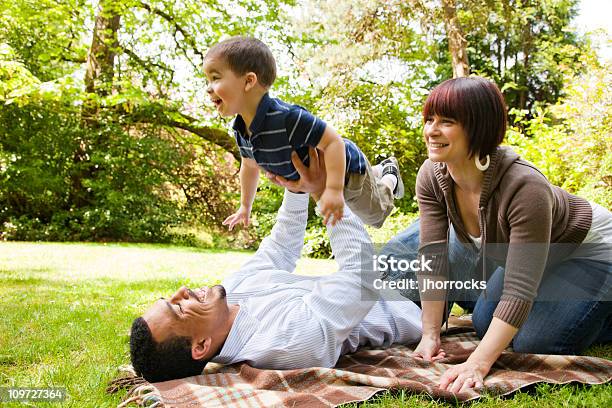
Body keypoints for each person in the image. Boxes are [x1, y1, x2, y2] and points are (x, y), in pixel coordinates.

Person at [381, 76, 612, 394]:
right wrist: (430, 334)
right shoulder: (432, 176)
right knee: (485, 321)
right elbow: (433, 257)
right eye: (429, 119)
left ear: (480, 128)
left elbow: (519, 291)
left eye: (446, 121)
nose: (431, 130)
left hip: (592, 249)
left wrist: (477, 363)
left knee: (538, 341)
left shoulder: (524, 187)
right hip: (543, 256)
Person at [129, 148, 422, 383]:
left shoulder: (232, 291)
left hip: (387, 272)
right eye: (178, 308)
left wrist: (295, 184)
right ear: (201, 346)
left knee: (443, 197)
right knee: (447, 196)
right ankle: (389, 180)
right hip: (411, 297)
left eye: (170, 298)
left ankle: (388, 180)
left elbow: (280, 248)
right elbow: (361, 280)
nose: (182, 291)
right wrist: (324, 191)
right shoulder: (285, 343)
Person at [203, 36, 403, 229]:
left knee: (375, 216)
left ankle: (389, 175)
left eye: (215, 78)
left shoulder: (288, 118)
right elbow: (249, 166)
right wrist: (245, 206)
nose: (208, 89)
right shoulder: (241, 130)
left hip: (347, 173)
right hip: (323, 177)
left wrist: (333, 190)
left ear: (248, 81)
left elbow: (334, 142)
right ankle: (376, 169)